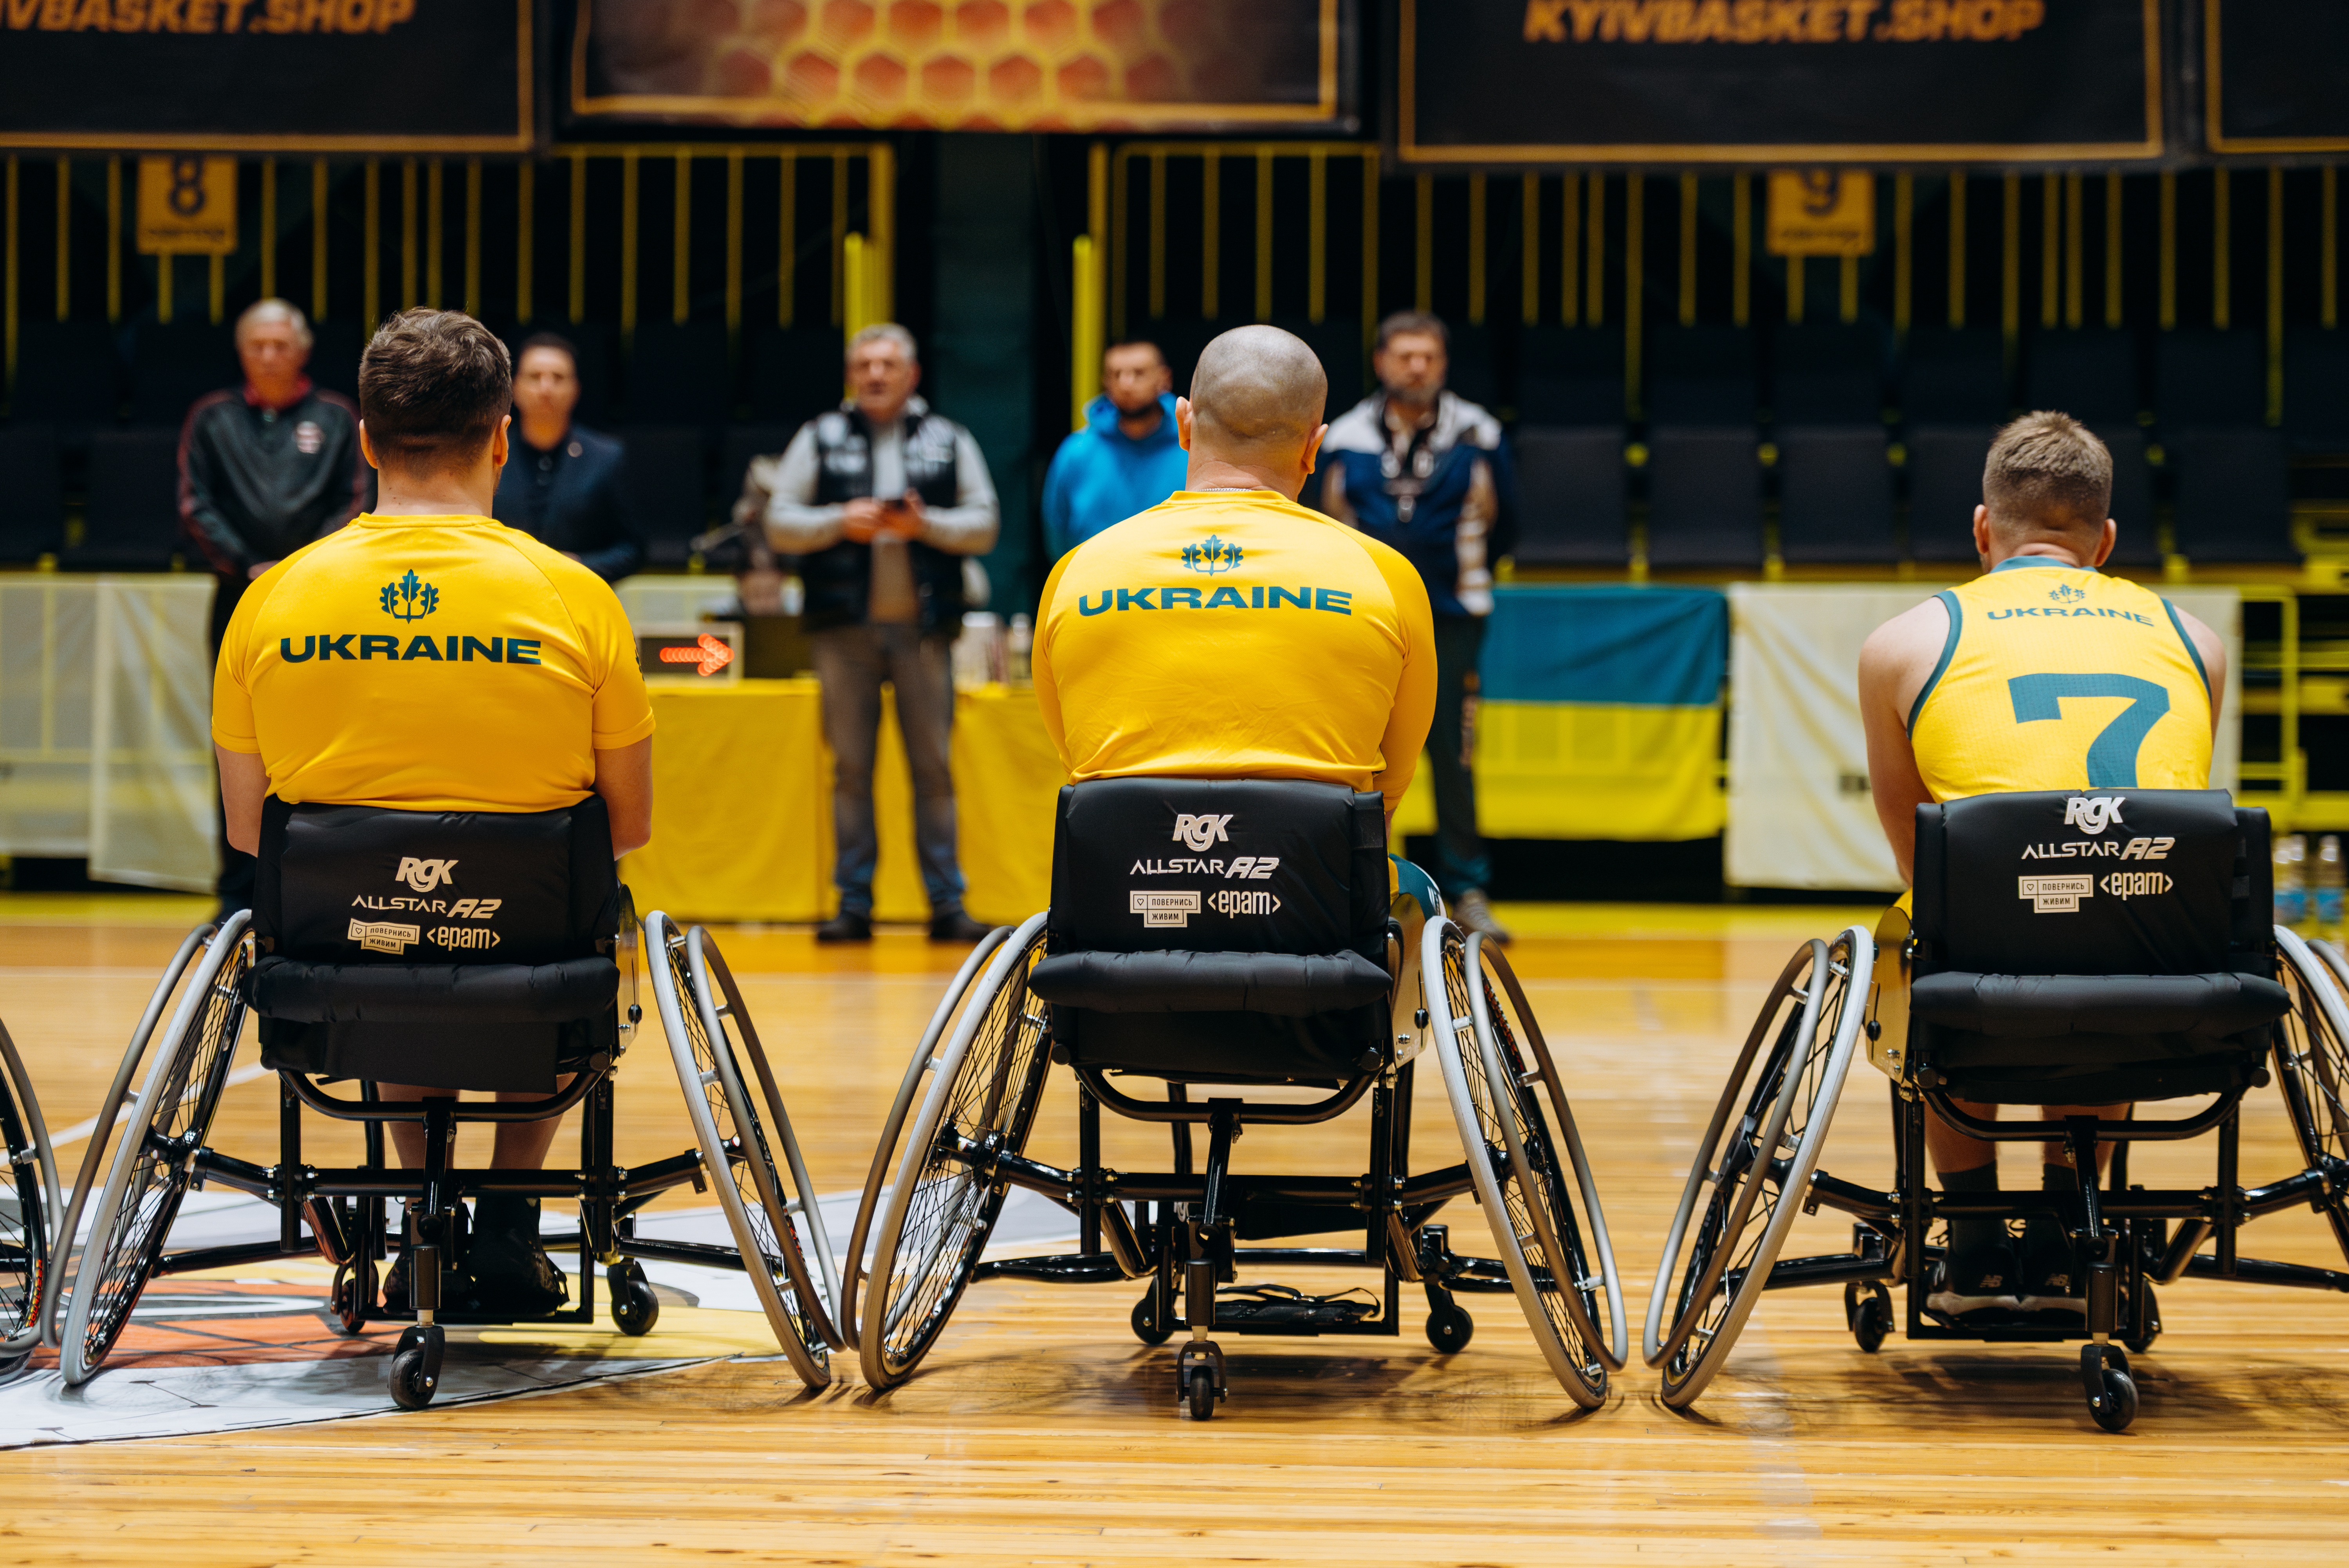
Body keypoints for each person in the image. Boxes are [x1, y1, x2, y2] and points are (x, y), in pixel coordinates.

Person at [211, 308, 656, 1317]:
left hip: (343, 964)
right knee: (567, 901)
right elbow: (624, 826)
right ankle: (507, 1216)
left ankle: (420, 1210)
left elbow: (250, 834)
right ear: (502, 435)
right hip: (533, 962)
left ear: (364, 439)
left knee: (375, 924)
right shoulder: (576, 598)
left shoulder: (273, 600)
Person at [1857, 410, 2226, 1319]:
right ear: (2103, 541)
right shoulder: (2195, 642)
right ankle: (2070, 1224)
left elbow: (1916, 846)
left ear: (1985, 531)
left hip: (1978, 981)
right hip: (2159, 982)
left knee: (1923, 933)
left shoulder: (1903, 643)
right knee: (2117, 902)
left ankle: (1975, 1241)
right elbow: (2153, 827)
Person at [1035, 323, 1435, 849]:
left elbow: (1080, 763)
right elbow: (1384, 794)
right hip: (1317, 913)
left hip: (1119, 909)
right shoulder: (1387, 577)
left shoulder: (1074, 573)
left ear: (1184, 425)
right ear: (1315, 447)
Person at [738, 323, 999, 944]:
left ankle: (946, 904)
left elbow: (986, 525)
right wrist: (839, 521)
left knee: (934, 769)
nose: (875, 375)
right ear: (852, 375)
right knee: (851, 770)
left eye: (887, 365)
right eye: (864, 365)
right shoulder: (820, 436)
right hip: (842, 632)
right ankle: (852, 903)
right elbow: (778, 524)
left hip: (924, 630)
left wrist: (925, 525)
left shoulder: (949, 438)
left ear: (912, 375)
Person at [1318, 310, 1514, 944]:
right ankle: (1360, 888)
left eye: (1428, 356)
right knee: (1359, 754)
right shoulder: (1346, 435)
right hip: (1363, 618)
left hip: (1455, 616)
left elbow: (1506, 520)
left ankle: (1468, 889)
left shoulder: (1478, 431)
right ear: (1380, 362)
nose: (1417, 367)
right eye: (1405, 355)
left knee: (1454, 754)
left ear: (1444, 364)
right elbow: (1323, 521)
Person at [179, 298, 368, 917]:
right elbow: (194, 504)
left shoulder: (339, 418)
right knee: (237, 743)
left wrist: (299, 568)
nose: (268, 355)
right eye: (256, 345)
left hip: (324, 597)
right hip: (239, 598)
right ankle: (237, 893)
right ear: (242, 353)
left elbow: (357, 499)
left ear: (303, 351)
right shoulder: (212, 418)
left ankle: (322, 884)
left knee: (325, 738)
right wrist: (249, 566)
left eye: (279, 345)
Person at [490, 332, 644, 583]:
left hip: (580, 603)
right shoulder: (489, 454)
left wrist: (579, 567)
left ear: (576, 390)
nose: (546, 388)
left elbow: (633, 549)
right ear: (515, 388)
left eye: (558, 378)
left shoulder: (607, 457)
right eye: (535, 377)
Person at [1041, 340, 1188, 560]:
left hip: (1175, 590)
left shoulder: (1191, 448)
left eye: (1139, 373)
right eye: (1116, 374)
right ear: (1105, 382)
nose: (1126, 383)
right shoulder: (1077, 452)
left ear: (1164, 379)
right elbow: (1056, 535)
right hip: (1092, 589)